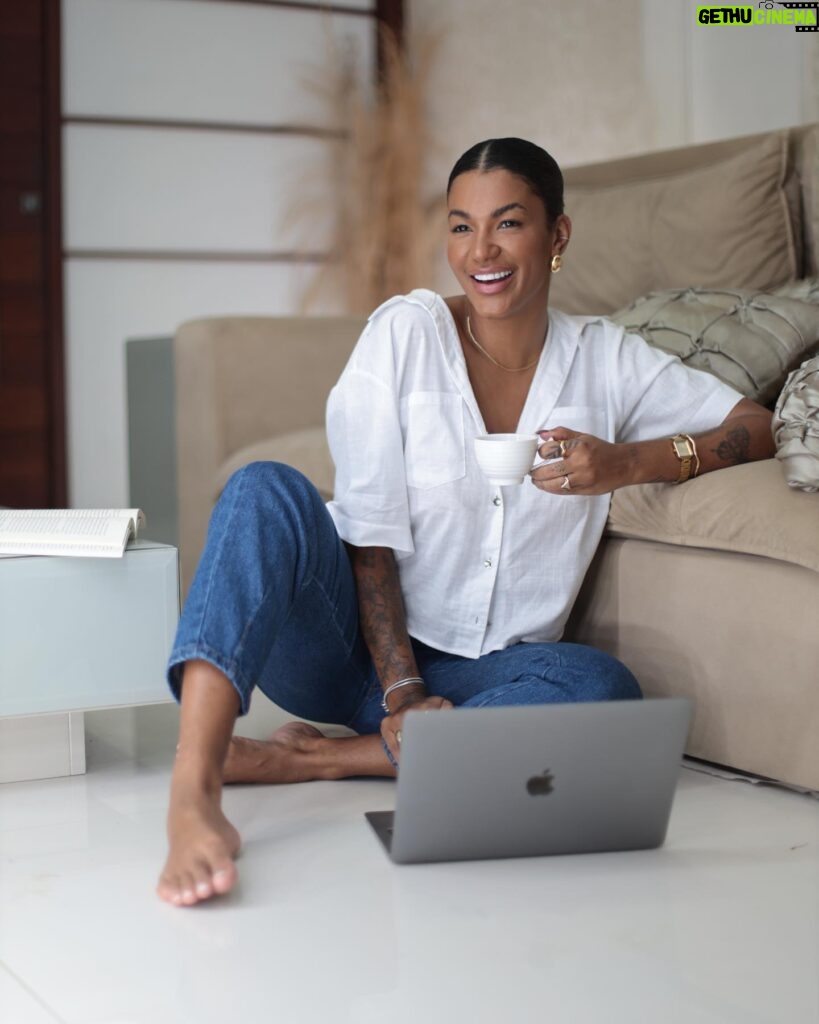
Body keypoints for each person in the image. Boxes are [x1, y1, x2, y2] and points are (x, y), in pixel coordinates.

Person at [157, 137, 775, 907]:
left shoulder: (607, 360)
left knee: (601, 688)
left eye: (507, 223)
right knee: (263, 488)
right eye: (459, 226)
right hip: (348, 652)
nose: (479, 250)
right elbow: (372, 532)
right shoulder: (405, 334)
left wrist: (624, 463)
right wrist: (402, 695)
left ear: (557, 235)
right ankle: (193, 790)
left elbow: (757, 425)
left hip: (488, 673)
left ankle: (316, 761)